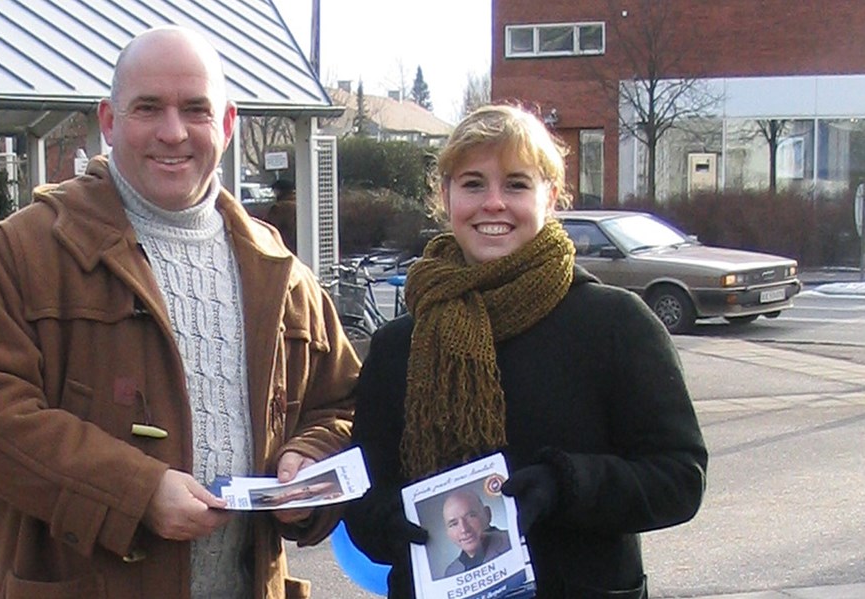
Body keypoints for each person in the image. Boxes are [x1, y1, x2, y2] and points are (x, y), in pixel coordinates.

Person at [0, 26, 361, 599]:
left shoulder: (279, 272)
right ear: (109, 121)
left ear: (228, 124)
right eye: (148, 108)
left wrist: (307, 463)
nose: (172, 132)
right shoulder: (24, 252)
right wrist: (134, 493)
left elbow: (343, 407)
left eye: (195, 109)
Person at [343, 104, 707, 599]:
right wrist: (391, 522)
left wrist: (567, 484)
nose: (493, 203)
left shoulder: (615, 324)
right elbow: (364, 500)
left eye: (516, 184)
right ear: (445, 197)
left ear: (549, 196)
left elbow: (679, 478)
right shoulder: (397, 347)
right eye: (473, 184)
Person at [440, 489, 511, 577]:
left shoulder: (513, 541)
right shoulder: (451, 573)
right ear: (448, 532)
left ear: (487, 515)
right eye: (454, 524)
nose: (464, 529)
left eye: (471, 516)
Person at [264, 178, 297, 253]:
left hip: (284, 247)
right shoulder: (301, 205)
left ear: (278, 191)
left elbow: (268, 227)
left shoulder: (280, 208)